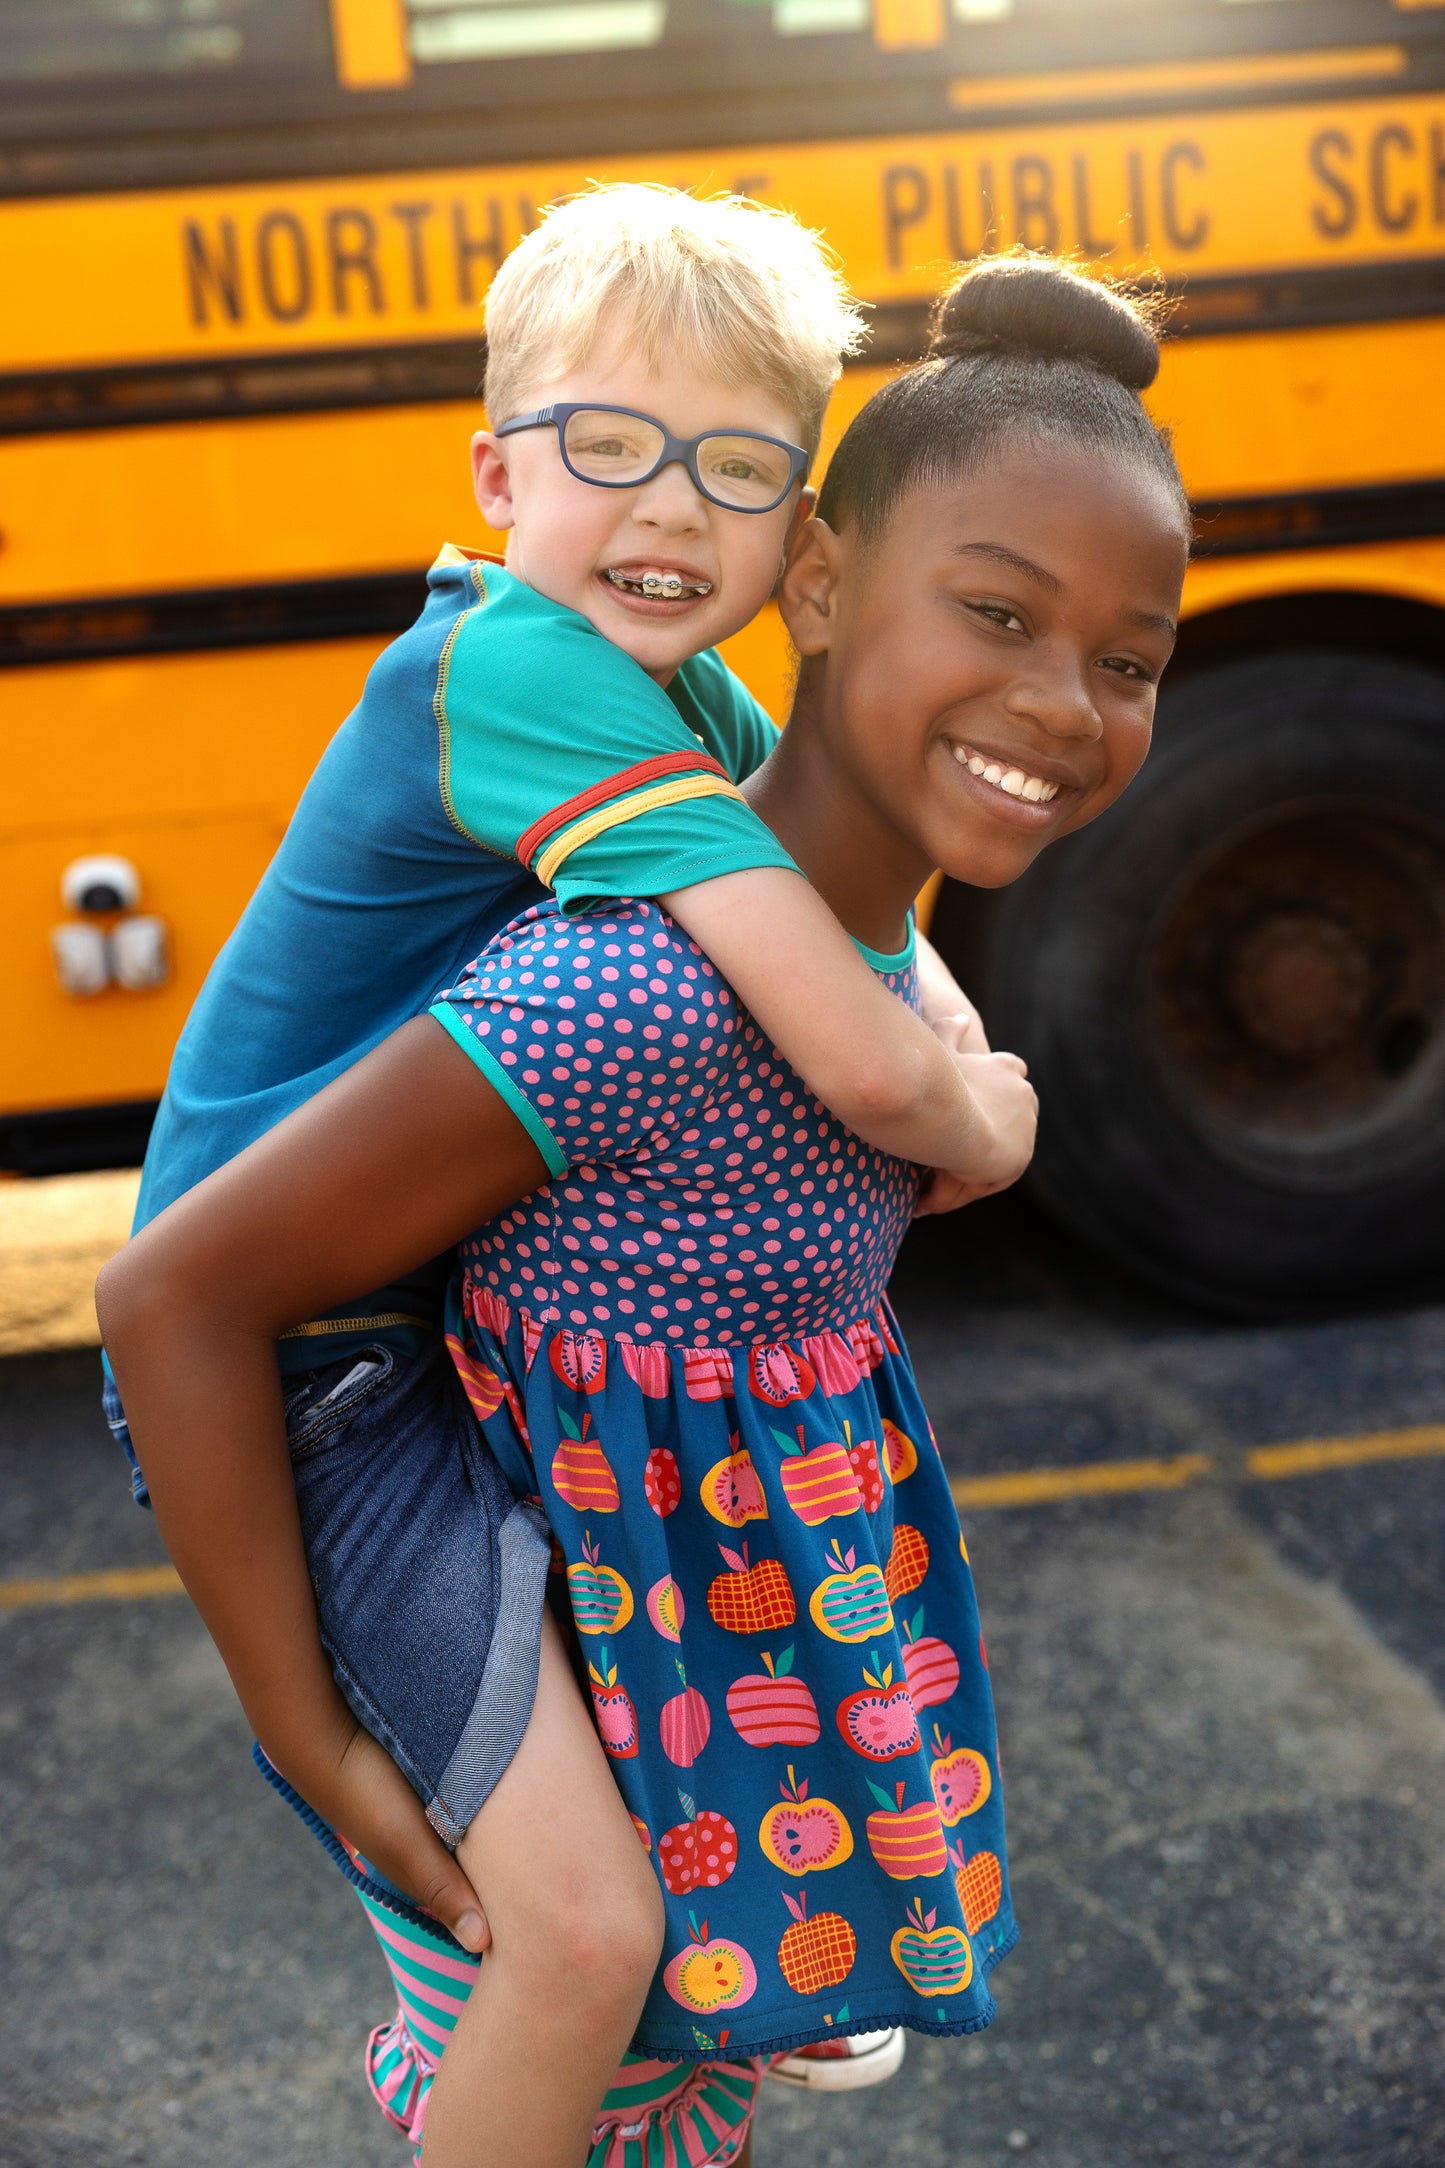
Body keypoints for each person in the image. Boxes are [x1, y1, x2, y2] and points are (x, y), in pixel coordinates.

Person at [98, 252, 1190, 2166]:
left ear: (793, 534)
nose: (672, 509)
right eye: (608, 448)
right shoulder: (537, 748)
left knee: (653, 1959)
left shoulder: (674, 709)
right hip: (305, 1365)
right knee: (586, 1938)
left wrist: (949, 1040)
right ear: (496, 474)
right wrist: (312, 1739)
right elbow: (859, 1054)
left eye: (734, 468)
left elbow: (863, 948)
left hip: (445, 1356)